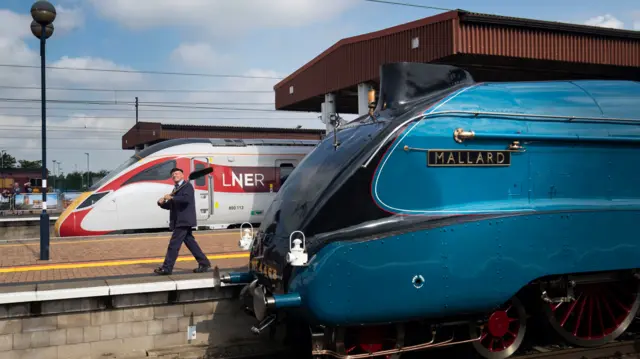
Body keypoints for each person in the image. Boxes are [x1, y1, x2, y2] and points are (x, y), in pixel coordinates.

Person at [154, 167, 211, 275]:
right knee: (190, 243)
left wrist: (172, 198)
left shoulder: (187, 186)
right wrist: (161, 203)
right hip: (179, 220)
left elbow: (186, 200)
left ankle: (167, 268)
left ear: (182, 175)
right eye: (173, 174)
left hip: (183, 220)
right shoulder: (176, 189)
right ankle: (204, 263)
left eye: (177, 173)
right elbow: (172, 206)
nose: (174, 175)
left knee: (173, 245)